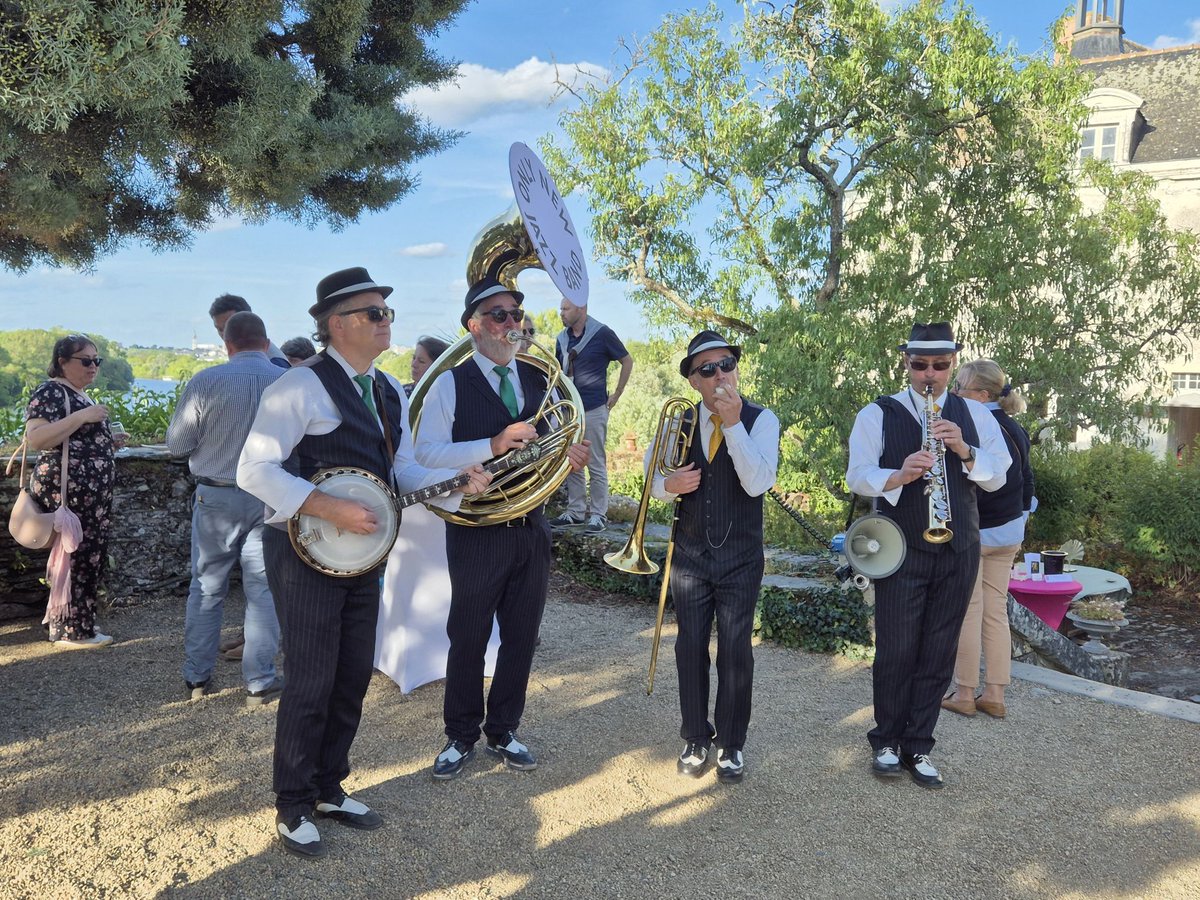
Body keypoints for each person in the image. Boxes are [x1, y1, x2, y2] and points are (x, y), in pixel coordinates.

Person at [237, 267, 490, 858]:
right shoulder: (297, 388)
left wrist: (457, 484)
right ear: (338, 324)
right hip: (304, 552)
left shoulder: (388, 392)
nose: (386, 323)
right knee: (311, 676)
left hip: (361, 555)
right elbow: (254, 470)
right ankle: (293, 803)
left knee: (352, 671)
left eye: (387, 313)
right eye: (375, 314)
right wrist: (328, 507)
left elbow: (399, 471)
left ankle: (329, 786)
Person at [415, 276, 590, 781]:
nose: (513, 323)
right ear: (474, 326)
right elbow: (424, 454)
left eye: (516, 314)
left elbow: (560, 442)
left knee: (522, 635)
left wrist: (571, 454)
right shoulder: (450, 383)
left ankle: (504, 729)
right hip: (477, 528)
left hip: (531, 526)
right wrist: (490, 445)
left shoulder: (542, 381)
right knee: (467, 634)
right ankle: (460, 734)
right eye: (499, 315)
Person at [846, 322, 1010, 789]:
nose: (930, 374)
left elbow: (999, 476)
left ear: (952, 363)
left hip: (958, 547)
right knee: (896, 650)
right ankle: (886, 741)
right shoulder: (878, 413)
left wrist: (963, 449)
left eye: (940, 365)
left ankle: (919, 745)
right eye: (920, 365)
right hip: (899, 547)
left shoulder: (976, 416)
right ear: (906, 363)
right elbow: (856, 476)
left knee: (939, 649)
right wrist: (896, 477)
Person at [649, 330, 779, 783]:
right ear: (693, 381)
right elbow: (652, 483)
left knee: (736, 652)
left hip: (741, 557)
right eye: (708, 369)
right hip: (689, 556)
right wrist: (670, 486)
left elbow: (758, 482)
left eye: (727, 364)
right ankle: (694, 736)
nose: (721, 374)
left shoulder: (762, 420)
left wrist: (734, 424)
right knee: (689, 647)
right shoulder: (677, 423)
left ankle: (731, 743)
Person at [167, 312, 285, 705]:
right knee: (263, 590)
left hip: (215, 496)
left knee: (206, 586)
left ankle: (197, 679)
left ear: (228, 345)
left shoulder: (206, 381)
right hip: (270, 496)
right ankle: (259, 682)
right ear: (266, 344)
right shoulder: (284, 382)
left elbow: (177, 445)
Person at [942, 359, 1036, 721]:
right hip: (1010, 530)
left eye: (960, 387)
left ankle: (964, 693)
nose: (954, 393)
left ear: (981, 395)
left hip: (978, 530)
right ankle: (995, 693)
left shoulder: (973, 427)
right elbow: (1027, 479)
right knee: (996, 612)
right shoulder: (1016, 428)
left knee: (969, 611)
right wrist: (1023, 518)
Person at [23, 334, 125, 648]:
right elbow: (36, 439)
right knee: (75, 557)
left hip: (87, 496)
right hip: (69, 493)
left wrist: (109, 442)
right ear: (63, 361)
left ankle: (77, 625)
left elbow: (75, 440)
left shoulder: (77, 393)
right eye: (86, 361)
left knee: (85, 558)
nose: (93, 366)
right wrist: (83, 416)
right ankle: (71, 631)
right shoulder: (51, 391)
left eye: (97, 360)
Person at [549, 295, 633, 534]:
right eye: (560, 308)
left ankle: (598, 515)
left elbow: (627, 361)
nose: (561, 312)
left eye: (566, 308)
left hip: (594, 409)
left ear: (581, 308)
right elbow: (559, 374)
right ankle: (575, 512)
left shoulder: (602, 333)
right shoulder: (561, 339)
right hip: (569, 411)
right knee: (572, 462)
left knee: (595, 462)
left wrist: (616, 394)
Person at [209, 293, 289, 368]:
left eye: (230, 326)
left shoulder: (275, 363)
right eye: (220, 329)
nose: (225, 334)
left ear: (248, 319)